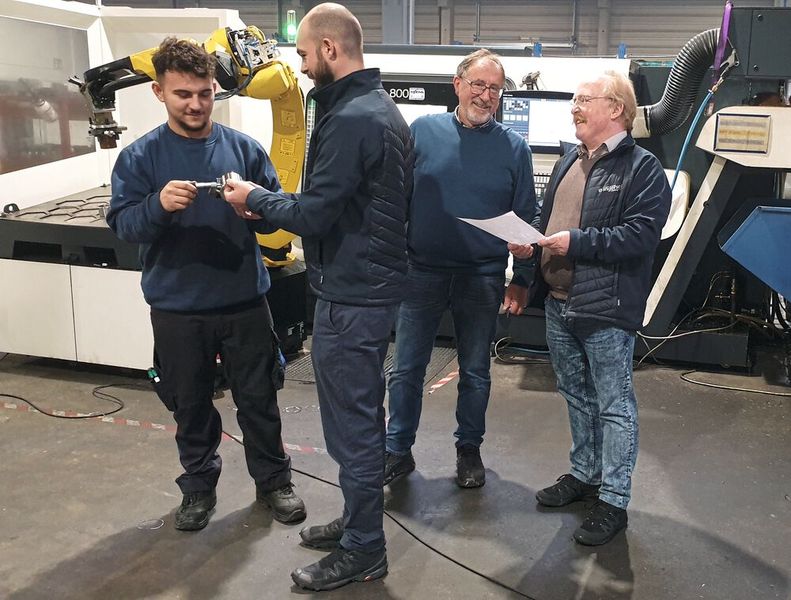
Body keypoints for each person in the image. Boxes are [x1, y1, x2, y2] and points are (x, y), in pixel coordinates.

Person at [223, 3, 413, 592]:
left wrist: (256, 197)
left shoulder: (354, 117)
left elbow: (315, 213)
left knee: (352, 428)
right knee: (354, 420)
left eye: (304, 54)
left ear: (330, 49)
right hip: (363, 289)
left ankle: (364, 548)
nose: (301, 67)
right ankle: (358, 524)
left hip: (353, 299)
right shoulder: (374, 110)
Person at [106, 37, 305, 532]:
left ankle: (274, 482)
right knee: (190, 404)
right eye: (182, 94)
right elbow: (124, 225)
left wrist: (254, 209)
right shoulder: (139, 158)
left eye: (204, 93)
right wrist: (156, 206)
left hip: (245, 303)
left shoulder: (245, 150)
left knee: (259, 400)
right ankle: (197, 488)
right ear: (158, 92)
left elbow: (275, 219)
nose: (195, 104)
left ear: (216, 89)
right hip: (178, 309)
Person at [510, 71, 670, 546]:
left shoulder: (642, 169)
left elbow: (640, 235)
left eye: (583, 100)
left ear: (616, 108)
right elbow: (545, 219)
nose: (574, 107)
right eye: (575, 100)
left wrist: (574, 243)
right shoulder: (568, 161)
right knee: (576, 396)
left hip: (605, 308)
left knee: (614, 405)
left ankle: (614, 500)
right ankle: (585, 475)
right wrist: (530, 249)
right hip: (559, 304)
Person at [383, 49, 536, 489]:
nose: (486, 95)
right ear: (458, 84)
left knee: (475, 371)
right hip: (421, 271)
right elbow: (397, 199)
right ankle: (397, 450)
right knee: (407, 369)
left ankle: (469, 450)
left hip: (481, 276)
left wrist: (522, 276)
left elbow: (527, 217)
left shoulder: (514, 148)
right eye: (478, 85)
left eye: (494, 88)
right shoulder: (423, 132)